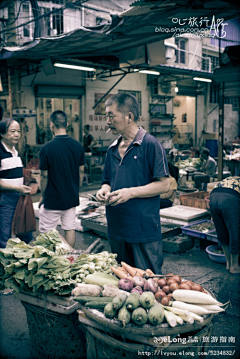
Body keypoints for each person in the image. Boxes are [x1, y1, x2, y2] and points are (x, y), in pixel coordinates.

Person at [96, 93, 170, 274]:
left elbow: (164, 185)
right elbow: (107, 181)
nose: (107, 121)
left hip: (142, 230)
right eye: (106, 116)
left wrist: (130, 192)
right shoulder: (112, 150)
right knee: (123, 285)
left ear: (129, 116)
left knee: (149, 285)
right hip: (117, 228)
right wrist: (103, 190)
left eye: (111, 115)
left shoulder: (151, 145)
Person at [39, 110, 85, 249]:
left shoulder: (46, 148)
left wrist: (42, 195)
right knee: (69, 227)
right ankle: (69, 257)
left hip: (53, 199)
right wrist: (76, 188)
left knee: (46, 231)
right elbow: (81, 170)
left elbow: (44, 175)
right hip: (71, 197)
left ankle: (58, 258)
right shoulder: (77, 146)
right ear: (67, 124)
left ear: (51, 125)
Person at [0, 118, 32, 249]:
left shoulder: (15, 150)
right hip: (6, 198)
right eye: (12, 131)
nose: (17, 134)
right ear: (2, 133)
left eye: (18, 131)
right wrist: (16, 187)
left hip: (20, 197)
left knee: (25, 233)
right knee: (4, 235)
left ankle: (19, 260)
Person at [209, 176, 240, 274]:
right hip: (229, 199)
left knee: (222, 232)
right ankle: (234, 267)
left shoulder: (232, 178)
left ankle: (228, 263)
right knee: (235, 232)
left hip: (213, 197)